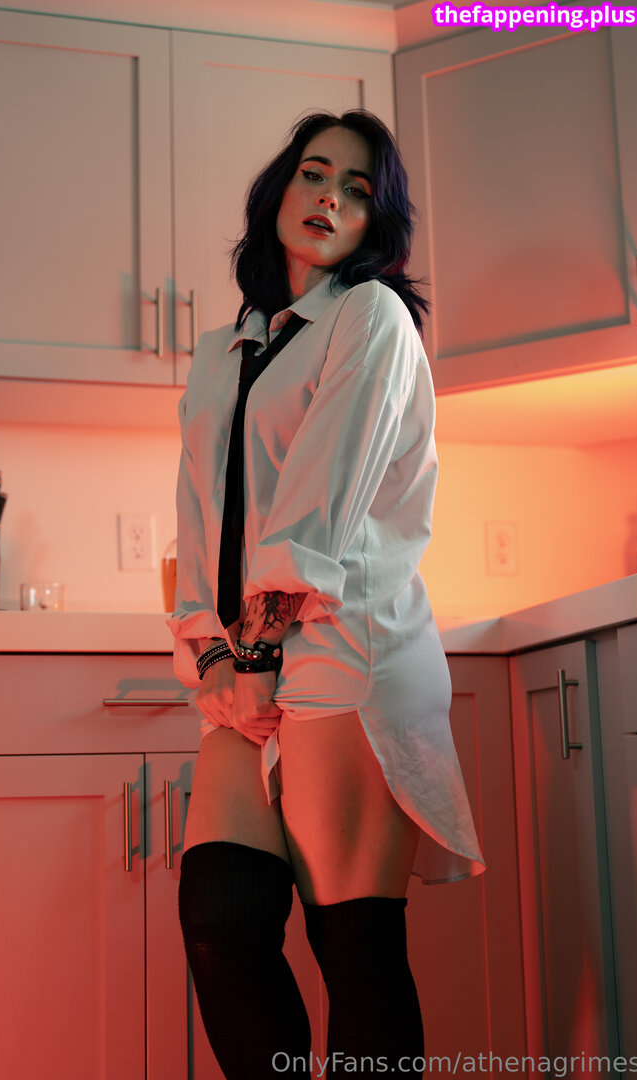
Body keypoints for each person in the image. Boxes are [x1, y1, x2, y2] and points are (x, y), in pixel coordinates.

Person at [166, 109, 485, 1080]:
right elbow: (197, 516)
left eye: (357, 191)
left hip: (349, 656)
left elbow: (320, 513)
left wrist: (254, 655)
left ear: (373, 223)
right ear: (280, 190)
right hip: (247, 663)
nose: (331, 199)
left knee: (354, 950)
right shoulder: (224, 350)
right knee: (220, 923)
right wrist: (213, 658)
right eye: (315, 174)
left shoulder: (370, 318)